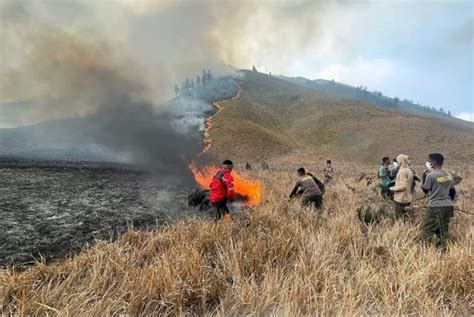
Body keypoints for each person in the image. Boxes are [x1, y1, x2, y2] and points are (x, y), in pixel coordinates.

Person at [421, 153, 454, 249]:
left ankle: (423, 250)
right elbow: (452, 192)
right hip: (447, 205)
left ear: (434, 162)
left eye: (429, 160)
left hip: (434, 206)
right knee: (443, 229)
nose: (428, 162)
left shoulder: (431, 175)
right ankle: (444, 249)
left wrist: (424, 177)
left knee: (427, 229)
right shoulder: (449, 174)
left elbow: (425, 190)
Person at [389, 154, 413, 218]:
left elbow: (403, 186)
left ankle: (401, 227)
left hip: (401, 198)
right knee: (406, 216)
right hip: (407, 197)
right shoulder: (408, 170)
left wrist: (392, 188)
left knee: (400, 217)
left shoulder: (402, 171)